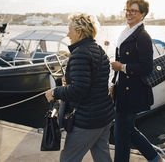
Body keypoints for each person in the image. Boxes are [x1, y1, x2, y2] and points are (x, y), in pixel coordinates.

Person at [45, 13, 114, 162]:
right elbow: (95, 81)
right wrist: (71, 80)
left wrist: (55, 92)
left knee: (68, 158)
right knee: (102, 156)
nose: (67, 34)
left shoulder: (80, 53)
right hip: (104, 116)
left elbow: (79, 89)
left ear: (79, 32)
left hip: (87, 120)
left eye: (70, 29)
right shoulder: (99, 50)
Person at [110, 0, 165, 162]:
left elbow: (146, 68)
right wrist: (113, 83)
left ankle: (155, 158)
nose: (129, 14)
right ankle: (155, 158)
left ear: (143, 14)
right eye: (127, 10)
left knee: (123, 130)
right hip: (123, 89)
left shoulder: (142, 37)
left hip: (133, 91)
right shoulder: (126, 32)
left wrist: (123, 67)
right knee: (124, 130)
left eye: (133, 11)